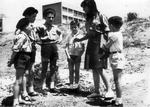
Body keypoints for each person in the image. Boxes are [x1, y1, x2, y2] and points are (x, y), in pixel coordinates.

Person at [74, 0, 114, 98]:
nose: (83, 10)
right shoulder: (88, 19)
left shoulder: (101, 16)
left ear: (91, 6)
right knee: (94, 68)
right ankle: (97, 91)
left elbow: (107, 32)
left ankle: (109, 90)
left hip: (100, 43)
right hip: (91, 44)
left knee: (99, 68)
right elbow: (88, 34)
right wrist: (80, 38)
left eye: (85, 7)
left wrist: (106, 47)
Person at [14, 7, 39, 101]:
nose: (35, 18)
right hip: (24, 52)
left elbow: (35, 38)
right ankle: (23, 92)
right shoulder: (22, 26)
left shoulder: (32, 26)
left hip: (31, 50)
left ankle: (30, 89)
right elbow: (18, 41)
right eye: (33, 16)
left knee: (30, 71)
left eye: (35, 16)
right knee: (24, 72)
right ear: (27, 16)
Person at [7, 18, 33, 106]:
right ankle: (15, 101)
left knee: (22, 79)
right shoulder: (21, 36)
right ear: (25, 27)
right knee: (18, 80)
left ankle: (20, 98)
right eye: (30, 25)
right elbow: (15, 50)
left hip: (26, 57)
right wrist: (11, 60)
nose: (31, 26)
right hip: (21, 58)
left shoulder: (26, 36)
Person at [36, 8, 62, 93]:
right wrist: (39, 42)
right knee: (44, 67)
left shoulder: (55, 27)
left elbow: (60, 33)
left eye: (52, 17)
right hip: (45, 47)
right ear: (45, 18)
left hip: (54, 47)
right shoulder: (41, 27)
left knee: (53, 67)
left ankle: (52, 86)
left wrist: (60, 39)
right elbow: (35, 35)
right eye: (49, 17)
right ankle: (43, 86)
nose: (51, 19)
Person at [102, 16, 124, 106]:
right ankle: (118, 98)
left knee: (117, 80)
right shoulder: (118, 33)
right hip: (115, 55)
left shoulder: (115, 35)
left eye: (109, 25)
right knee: (116, 79)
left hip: (116, 56)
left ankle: (119, 102)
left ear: (111, 25)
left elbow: (106, 46)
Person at [65, 20, 85, 89]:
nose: (73, 29)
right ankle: (71, 85)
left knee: (77, 71)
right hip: (70, 56)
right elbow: (66, 48)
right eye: (72, 27)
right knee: (71, 71)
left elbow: (83, 49)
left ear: (78, 27)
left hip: (77, 56)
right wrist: (68, 57)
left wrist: (79, 56)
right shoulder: (68, 36)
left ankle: (76, 85)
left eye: (75, 27)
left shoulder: (81, 36)